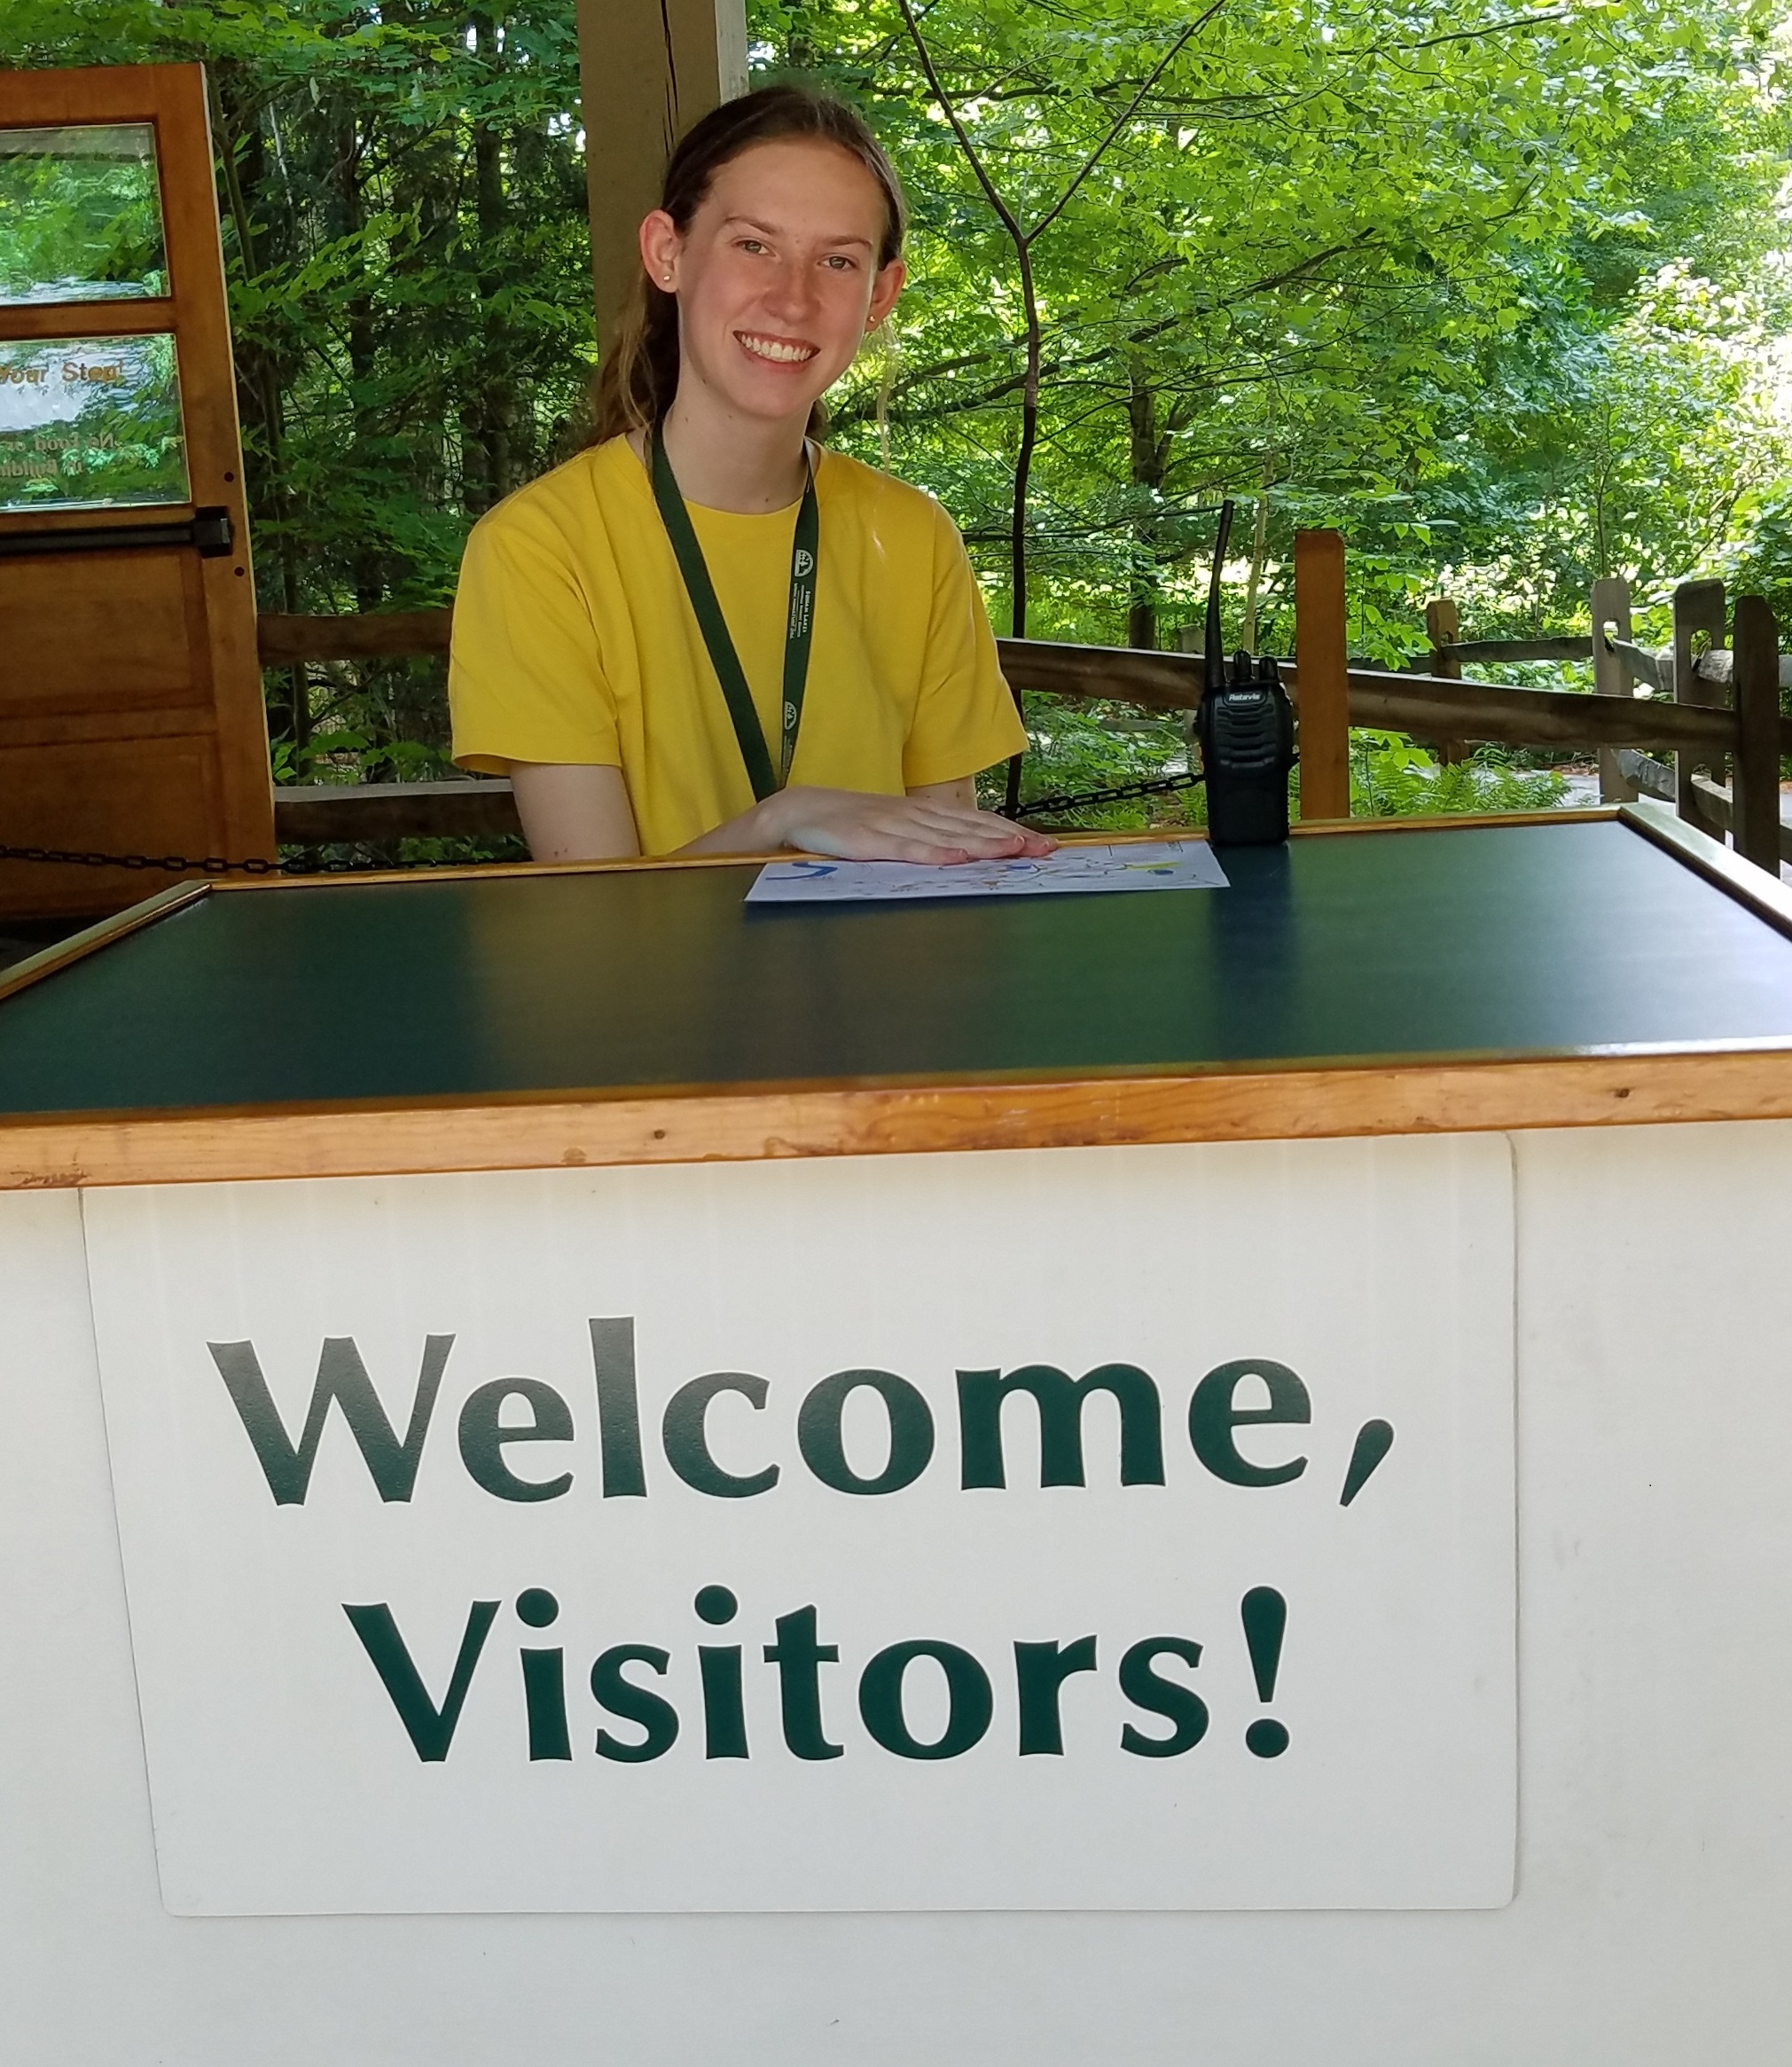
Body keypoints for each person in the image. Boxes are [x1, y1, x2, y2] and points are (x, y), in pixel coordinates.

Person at [448, 85, 1053, 867]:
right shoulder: (536, 548)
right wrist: (783, 820)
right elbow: (590, 907)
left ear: (880, 296)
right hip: (648, 994)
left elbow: (947, 863)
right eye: (753, 245)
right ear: (668, 253)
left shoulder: (914, 536)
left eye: (837, 261)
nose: (792, 298)